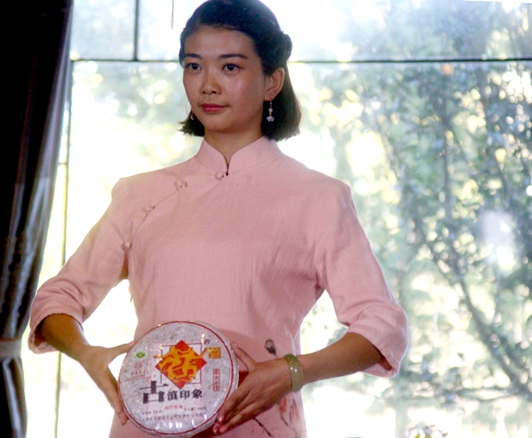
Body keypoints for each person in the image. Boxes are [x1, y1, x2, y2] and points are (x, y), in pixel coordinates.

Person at [28, 0, 409, 436]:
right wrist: (86, 353)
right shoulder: (139, 195)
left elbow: (383, 326)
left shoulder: (318, 198)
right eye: (193, 66)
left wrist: (292, 371)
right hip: (146, 421)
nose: (207, 85)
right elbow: (57, 298)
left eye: (230, 67)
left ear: (272, 82)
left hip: (257, 421)